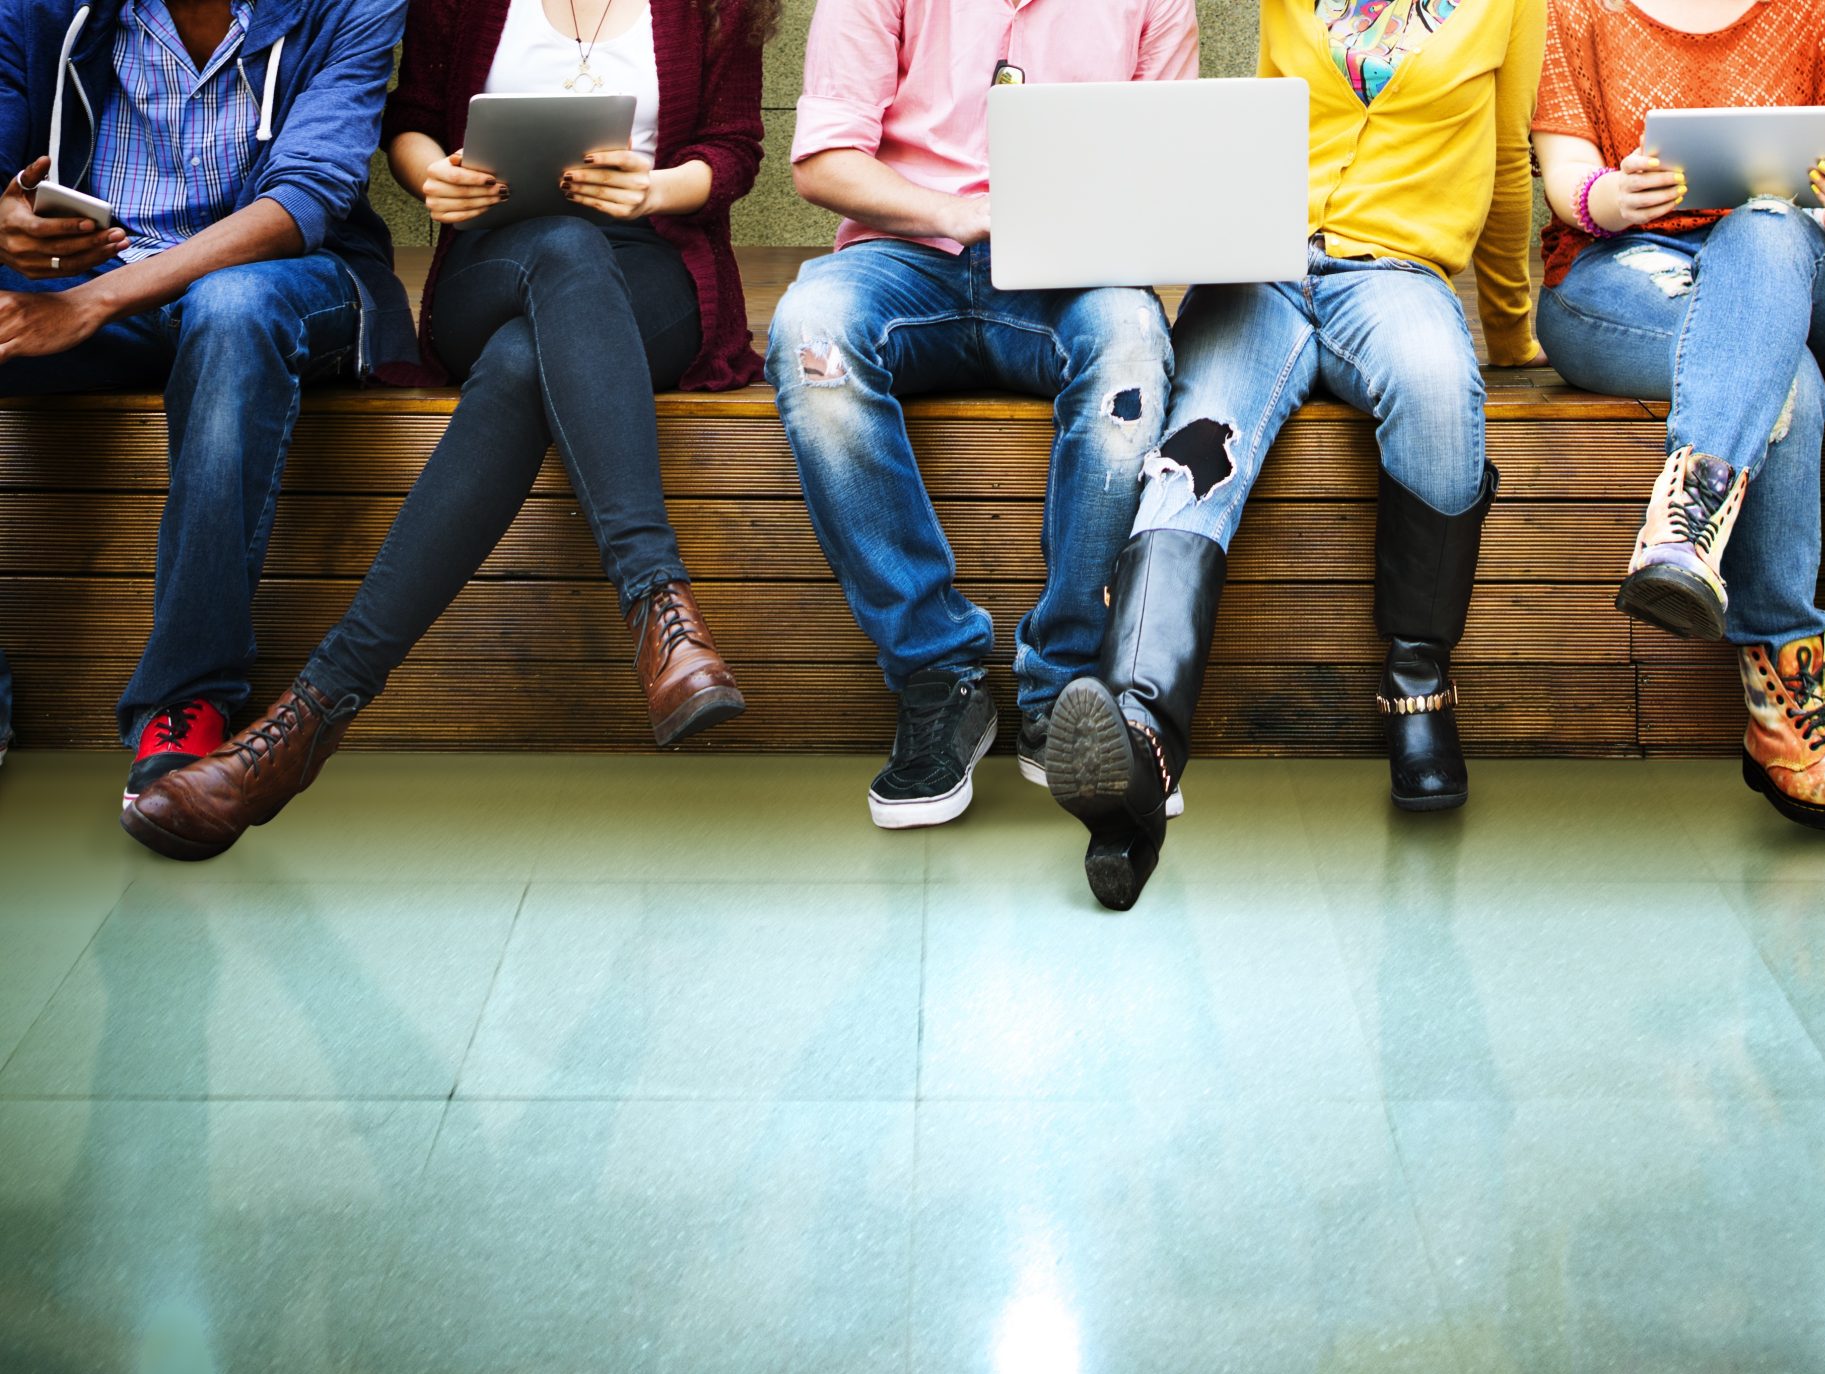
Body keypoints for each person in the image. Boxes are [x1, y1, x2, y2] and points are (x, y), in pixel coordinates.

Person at [121, 0, 776, 862]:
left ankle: (307, 721)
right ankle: (659, 606)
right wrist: (434, 177)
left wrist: (656, 188)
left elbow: (733, 151)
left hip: (649, 277)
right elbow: (413, 123)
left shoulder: (718, 7)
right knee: (559, 257)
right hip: (492, 266)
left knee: (520, 361)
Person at [1045, 0, 1547, 910]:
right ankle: (1137, 732)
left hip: (1395, 274)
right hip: (1261, 271)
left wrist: (1509, 333)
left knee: (1440, 385)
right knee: (1194, 448)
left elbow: (1510, 163)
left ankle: (1418, 685)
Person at [764, 0, 1196, 831]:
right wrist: (955, 213)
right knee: (810, 336)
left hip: (1071, 269)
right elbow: (821, 162)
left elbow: (1165, 172)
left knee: (1134, 345)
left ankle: (1068, 683)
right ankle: (937, 678)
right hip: (902, 255)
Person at [0, 0, 414, 809]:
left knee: (230, 310)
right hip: (86, 280)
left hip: (285, 281)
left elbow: (304, 200)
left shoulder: (354, 7)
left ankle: (185, 695)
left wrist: (95, 303)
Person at [1534, 0, 1825, 831]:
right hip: (1625, 275)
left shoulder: (1819, 8)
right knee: (1790, 386)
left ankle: (1685, 522)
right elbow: (1565, 179)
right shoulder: (1579, 7)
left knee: (1768, 223)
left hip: (1799, 264)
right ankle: (1791, 721)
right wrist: (1612, 197)